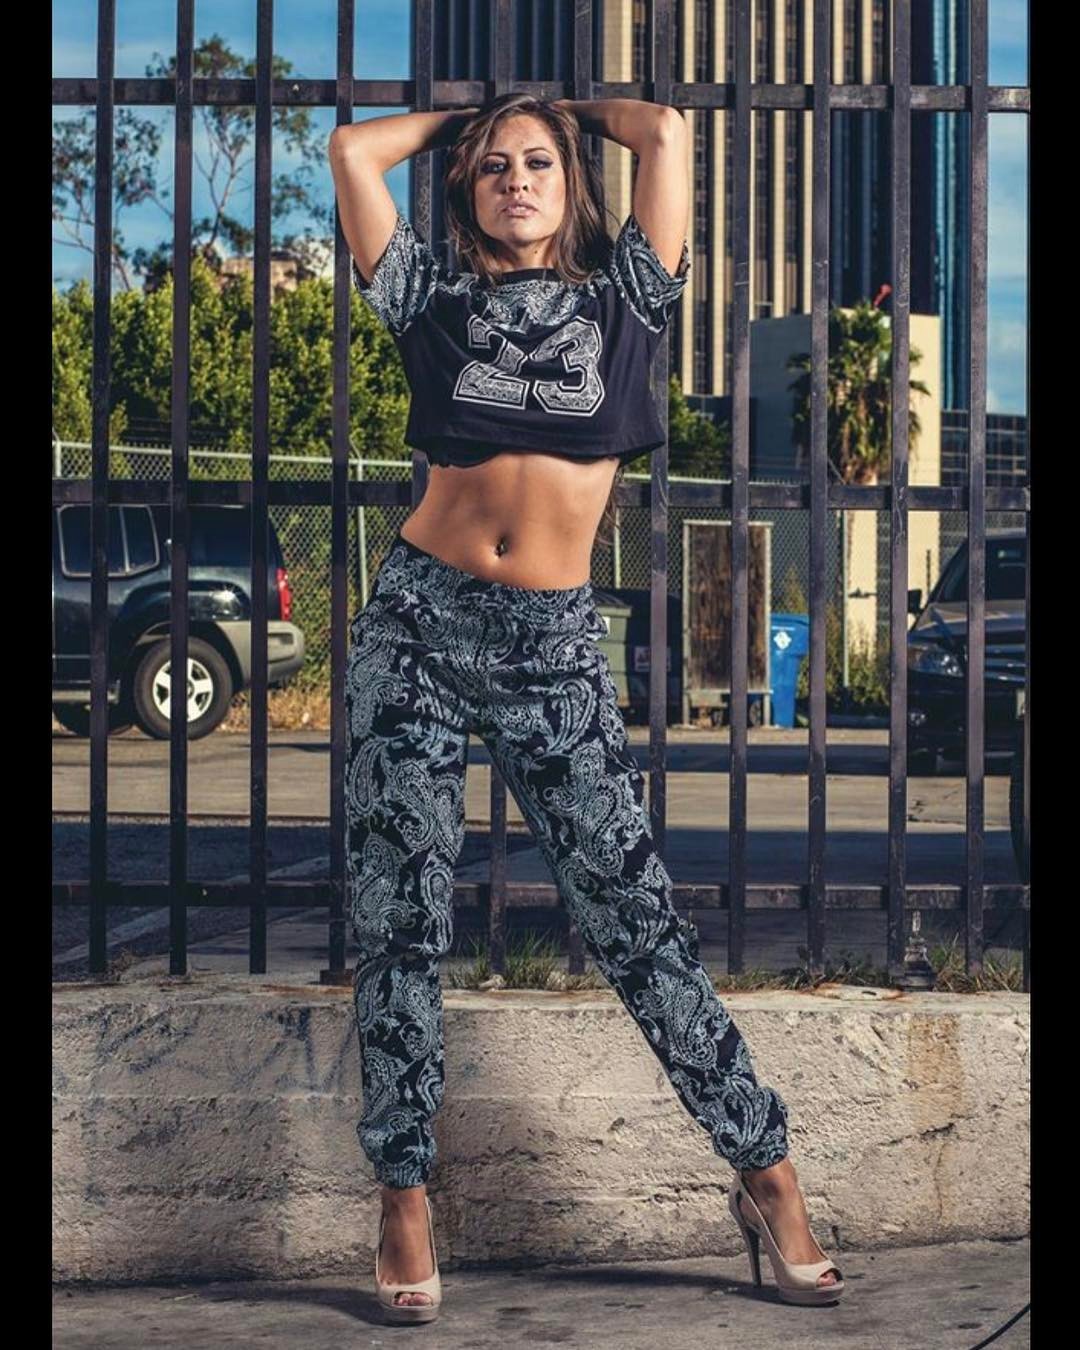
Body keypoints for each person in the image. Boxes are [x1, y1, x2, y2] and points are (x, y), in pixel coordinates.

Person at [328, 93, 843, 1323]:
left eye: (540, 163)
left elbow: (662, 130)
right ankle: (404, 1198)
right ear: (468, 193)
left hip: (553, 647)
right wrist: (469, 118)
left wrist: (557, 105)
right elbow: (352, 149)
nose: (517, 178)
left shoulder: (629, 304)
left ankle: (766, 1172)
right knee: (400, 921)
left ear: (572, 185)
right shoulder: (430, 301)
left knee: (635, 923)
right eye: (494, 168)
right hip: (416, 628)